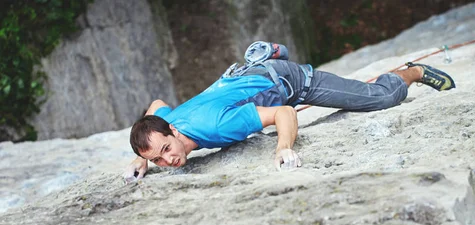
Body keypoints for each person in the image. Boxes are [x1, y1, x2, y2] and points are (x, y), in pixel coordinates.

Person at [123, 45, 455, 181]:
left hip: (291, 83)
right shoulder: (166, 123)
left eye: (166, 149)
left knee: (378, 98)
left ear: (174, 132)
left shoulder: (218, 126)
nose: (169, 162)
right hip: (246, 77)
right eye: (159, 160)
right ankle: (268, 54)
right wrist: (144, 157)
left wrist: (284, 146)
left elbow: (283, 112)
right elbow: (154, 105)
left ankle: (411, 73)